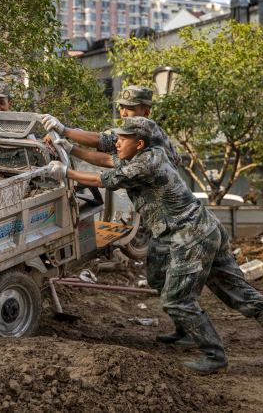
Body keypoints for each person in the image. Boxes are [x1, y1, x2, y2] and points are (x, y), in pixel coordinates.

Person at [44, 116, 263, 376]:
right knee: (238, 293)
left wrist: (66, 171)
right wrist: (70, 146)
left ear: (138, 143)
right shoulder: (145, 154)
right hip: (204, 230)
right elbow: (105, 159)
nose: (116, 142)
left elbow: (105, 179)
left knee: (177, 300)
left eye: (122, 139)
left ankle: (214, 357)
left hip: (190, 236)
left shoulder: (143, 166)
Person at [42, 86, 190, 347]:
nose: (123, 112)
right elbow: (107, 157)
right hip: (161, 224)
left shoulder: (148, 133)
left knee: (186, 281)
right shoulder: (136, 137)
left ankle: (203, 341)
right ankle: (186, 328)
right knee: (160, 278)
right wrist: (69, 146)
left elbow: (105, 160)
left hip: (180, 225)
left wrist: (65, 138)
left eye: (130, 108)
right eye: (121, 107)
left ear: (146, 111)